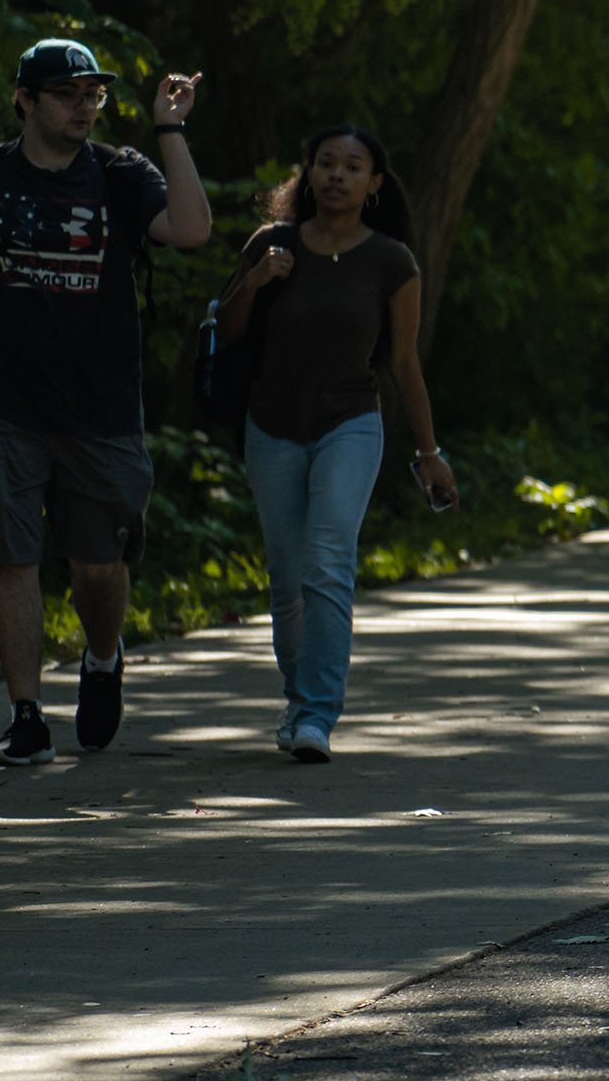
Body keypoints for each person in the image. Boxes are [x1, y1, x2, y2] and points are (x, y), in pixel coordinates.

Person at [0, 40, 211, 767]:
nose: (84, 107)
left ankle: (101, 657)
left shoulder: (123, 174)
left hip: (100, 410)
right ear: (26, 101)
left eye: (93, 94)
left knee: (98, 565)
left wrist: (170, 128)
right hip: (0, 404)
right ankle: (25, 716)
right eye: (67, 94)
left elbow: (190, 231)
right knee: (12, 559)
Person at [218, 126, 455, 763]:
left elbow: (404, 364)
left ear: (375, 183)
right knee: (286, 577)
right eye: (326, 163)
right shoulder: (273, 243)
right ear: (308, 173)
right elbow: (229, 329)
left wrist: (428, 454)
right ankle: (298, 701)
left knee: (327, 563)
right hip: (271, 425)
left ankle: (318, 712)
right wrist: (260, 277)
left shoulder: (392, 262)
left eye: (353, 167)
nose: (337, 176)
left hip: (350, 423)